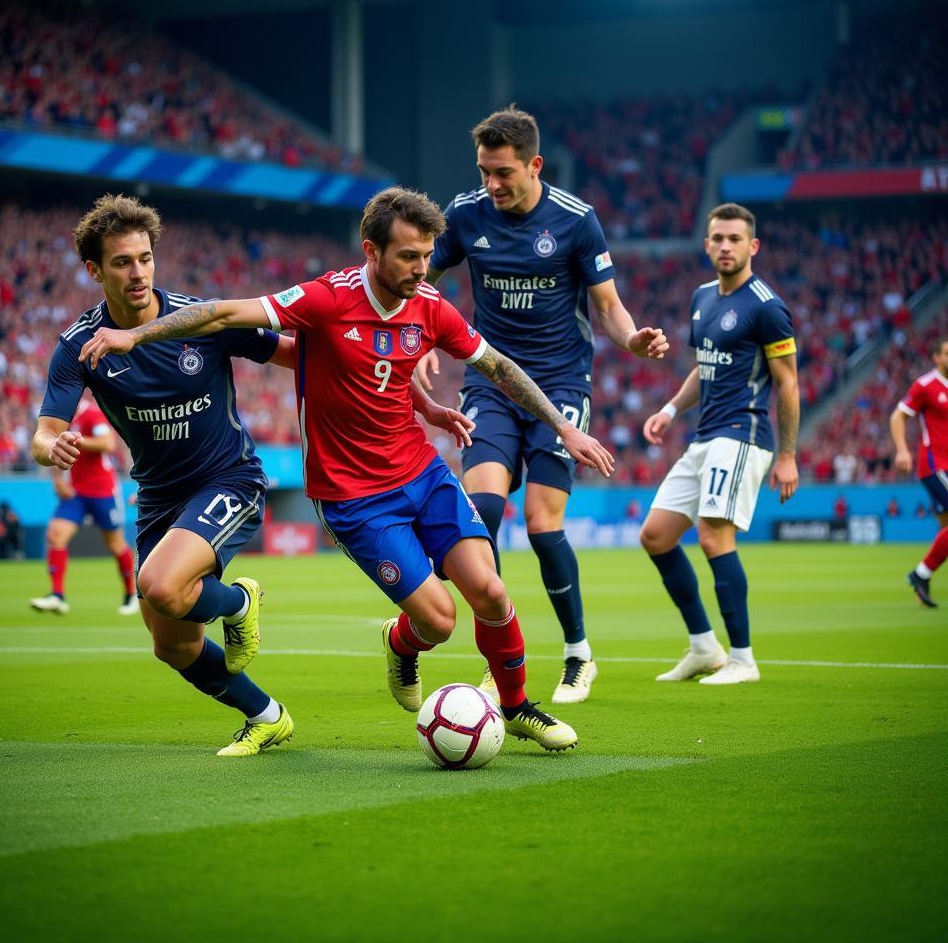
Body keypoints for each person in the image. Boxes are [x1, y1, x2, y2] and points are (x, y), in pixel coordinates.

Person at [78, 187, 618, 751]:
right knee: (439, 622)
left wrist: (563, 426)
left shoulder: (431, 306)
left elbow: (496, 366)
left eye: (428, 254)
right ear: (371, 251)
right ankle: (403, 643)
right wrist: (135, 334)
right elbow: (224, 314)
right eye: (408, 255)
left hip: (421, 471)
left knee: (488, 589)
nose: (421, 268)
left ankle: (515, 707)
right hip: (353, 497)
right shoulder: (324, 299)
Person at [416, 105, 667, 705]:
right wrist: (417, 336)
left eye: (503, 172)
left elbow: (607, 308)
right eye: (484, 172)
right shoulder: (465, 213)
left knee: (542, 522)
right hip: (489, 386)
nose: (492, 185)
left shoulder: (578, 222)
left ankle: (579, 654)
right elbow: (422, 277)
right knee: (479, 516)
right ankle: (500, 658)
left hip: (559, 387)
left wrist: (631, 339)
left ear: (535, 165)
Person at [32, 193, 297, 757]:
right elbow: (44, 431)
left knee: (159, 586)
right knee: (172, 644)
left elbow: (291, 353)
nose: (138, 273)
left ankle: (239, 604)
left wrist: (384, 355)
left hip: (229, 479)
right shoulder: (79, 345)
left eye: (145, 258)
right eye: (123, 262)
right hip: (158, 497)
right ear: (94, 270)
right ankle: (267, 716)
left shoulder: (199, 319)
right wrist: (51, 447)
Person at [638, 203, 799, 685]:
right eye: (717, 238)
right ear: (706, 244)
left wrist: (788, 455)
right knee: (656, 536)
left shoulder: (767, 306)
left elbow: (787, 383)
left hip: (744, 433)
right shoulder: (702, 298)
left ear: (753, 246)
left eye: (735, 239)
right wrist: (669, 410)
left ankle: (743, 659)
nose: (725, 246)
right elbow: (704, 367)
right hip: (704, 435)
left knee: (713, 537)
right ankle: (704, 647)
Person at [30, 392, 139, 615]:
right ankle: (57, 595)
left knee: (115, 543)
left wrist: (78, 440)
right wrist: (58, 480)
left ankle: (131, 595)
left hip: (102, 489)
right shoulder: (63, 421)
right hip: (76, 491)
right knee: (55, 535)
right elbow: (56, 450)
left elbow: (108, 443)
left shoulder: (91, 414)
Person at [890, 334, 948, 608]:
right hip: (935, 464)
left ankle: (922, 581)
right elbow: (898, 415)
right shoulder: (926, 385)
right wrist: (902, 450)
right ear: (936, 357)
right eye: (946, 353)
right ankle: (920, 573)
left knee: (946, 529)